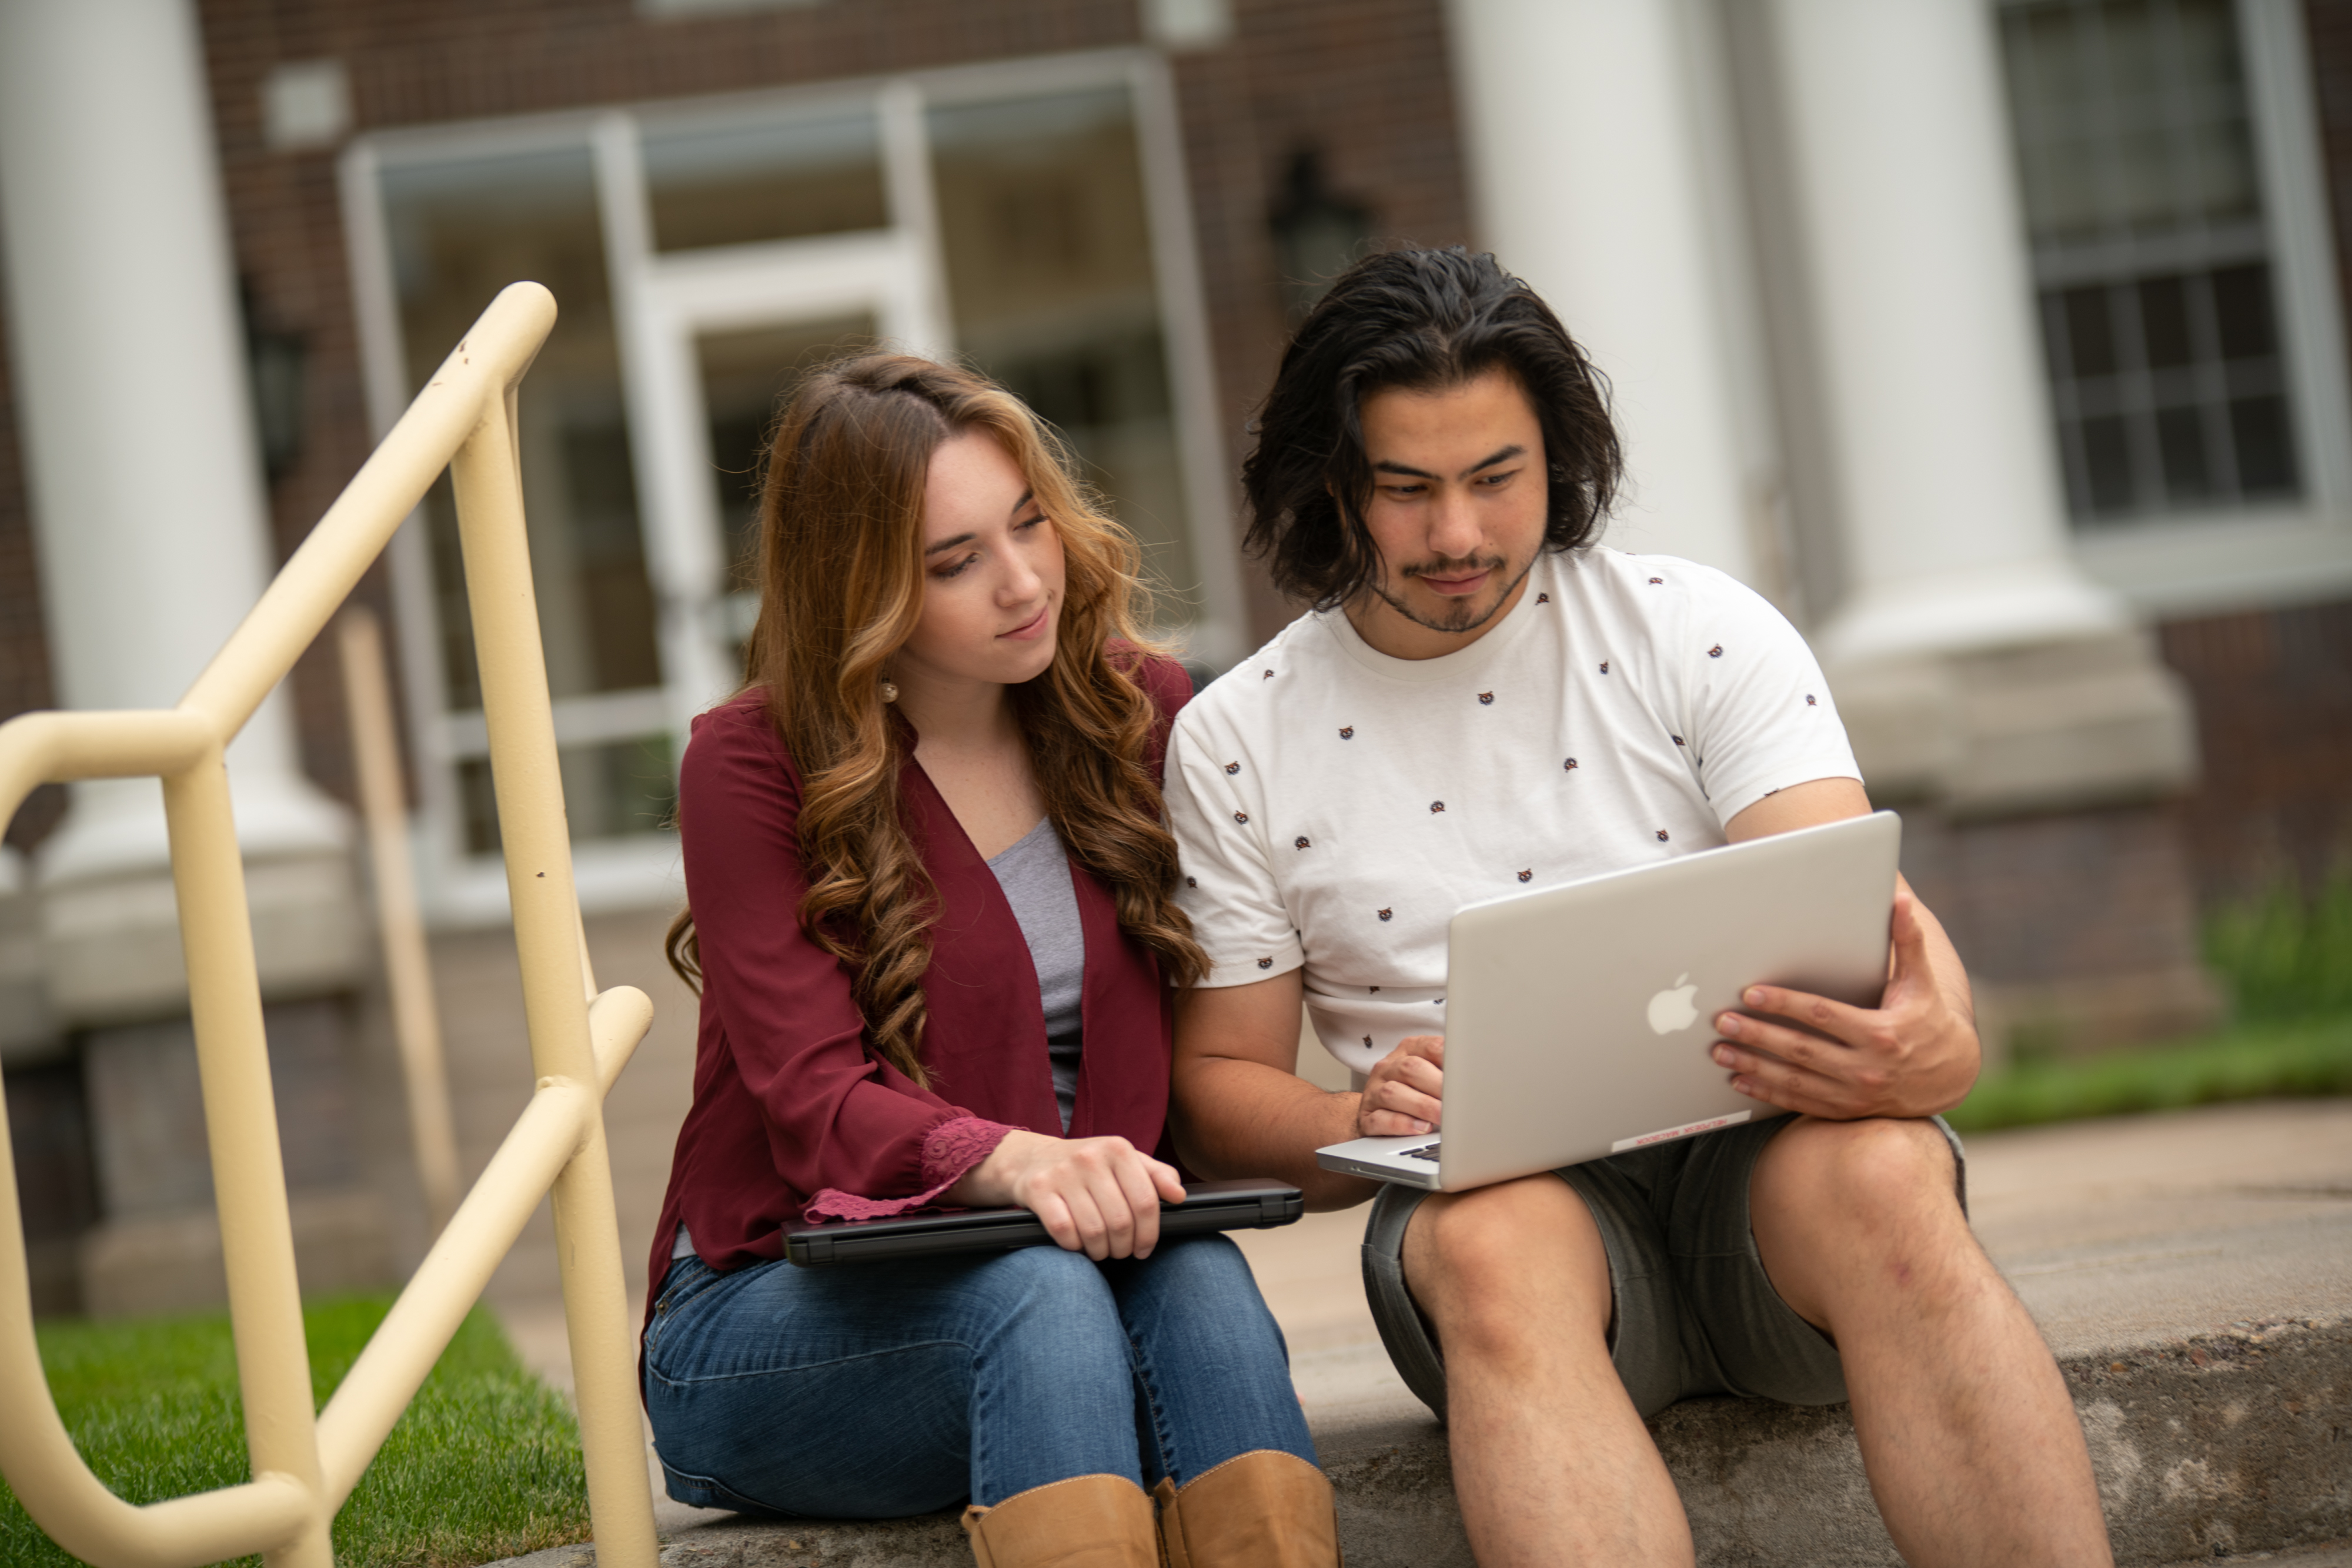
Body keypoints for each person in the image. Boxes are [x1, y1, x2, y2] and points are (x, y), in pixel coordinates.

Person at [1162, 249, 2116, 1567]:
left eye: (1495, 477)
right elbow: (1214, 1083)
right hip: (1497, 1219)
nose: (1456, 535)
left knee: (1889, 1170)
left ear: (1556, 457)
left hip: (1772, 1188)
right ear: (1333, 488)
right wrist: (1343, 1117)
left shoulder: (1696, 630)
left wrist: (1936, 1036)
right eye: (1407, 489)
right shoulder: (1234, 739)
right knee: (1494, 1242)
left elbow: (1864, 911)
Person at [640, 353, 1339, 1568]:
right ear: (859, 587)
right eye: (954, 561)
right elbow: (813, 1102)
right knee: (1043, 1300)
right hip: (777, 1314)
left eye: (1028, 525)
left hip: (1082, 1271)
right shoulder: (751, 766)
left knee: (1207, 1292)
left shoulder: (1138, 714)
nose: (1022, 582)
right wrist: (1015, 1163)